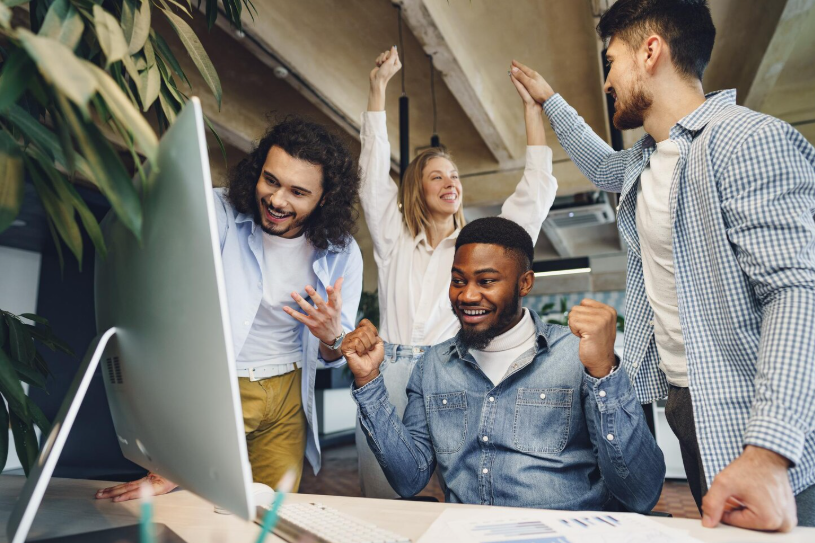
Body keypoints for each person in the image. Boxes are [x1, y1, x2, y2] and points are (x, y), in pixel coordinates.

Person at [509, 0, 815, 531]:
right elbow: (601, 163)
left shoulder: (746, 139)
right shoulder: (647, 159)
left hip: (760, 413)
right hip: (687, 400)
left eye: (611, 62)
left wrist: (769, 451)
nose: (606, 80)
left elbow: (798, 293)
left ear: (651, 51)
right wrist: (550, 102)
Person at [95, 117, 364, 501]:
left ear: (325, 199)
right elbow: (164, 309)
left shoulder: (342, 252)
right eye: (270, 180)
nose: (276, 200)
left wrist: (331, 335)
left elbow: (336, 353)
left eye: (298, 192)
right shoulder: (215, 213)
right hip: (221, 385)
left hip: (288, 395)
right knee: (195, 504)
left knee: (272, 512)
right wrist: (170, 452)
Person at [345, 217, 665, 511]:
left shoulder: (575, 356)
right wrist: (369, 381)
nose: (467, 295)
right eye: (459, 280)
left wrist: (604, 372)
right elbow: (409, 478)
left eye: (486, 281)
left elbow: (641, 492)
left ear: (524, 283)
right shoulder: (433, 366)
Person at [356, 46, 558, 498]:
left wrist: (532, 111)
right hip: (389, 371)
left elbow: (535, 193)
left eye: (456, 176)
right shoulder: (393, 238)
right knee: (382, 490)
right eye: (437, 176)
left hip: (453, 371)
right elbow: (371, 172)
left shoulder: (478, 248)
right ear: (416, 188)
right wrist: (378, 87)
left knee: (463, 492)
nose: (452, 183)